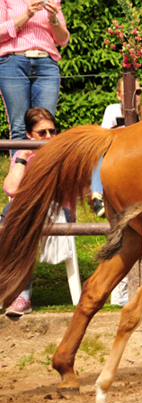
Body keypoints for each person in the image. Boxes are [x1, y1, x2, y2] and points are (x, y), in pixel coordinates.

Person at [2, 107, 59, 316]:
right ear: (28, 135)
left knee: (15, 222)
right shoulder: (22, 153)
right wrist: (23, 157)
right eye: (41, 133)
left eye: (52, 131)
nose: (49, 137)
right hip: (22, 210)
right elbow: (11, 189)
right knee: (14, 219)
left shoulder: (60, 152)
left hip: (55, 208)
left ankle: (21, 294)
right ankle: (11, 291)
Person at [0, 0, 69, 154]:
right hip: (13, 62)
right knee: (19, 127)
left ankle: (42, 175)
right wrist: (27, 15)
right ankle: (19, 175)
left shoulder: (52, 1)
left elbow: (63, 40)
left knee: (46, 127)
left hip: (46, 63)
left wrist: (53, 19)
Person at [91, 77, 142, 217]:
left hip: (140, 153)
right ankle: (97, 197)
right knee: (98, 153)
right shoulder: (112, 110)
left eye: (137, 92)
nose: (133, 96)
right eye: (127, 92)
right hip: (117, 151)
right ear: (118, 95)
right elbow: (103, 137)